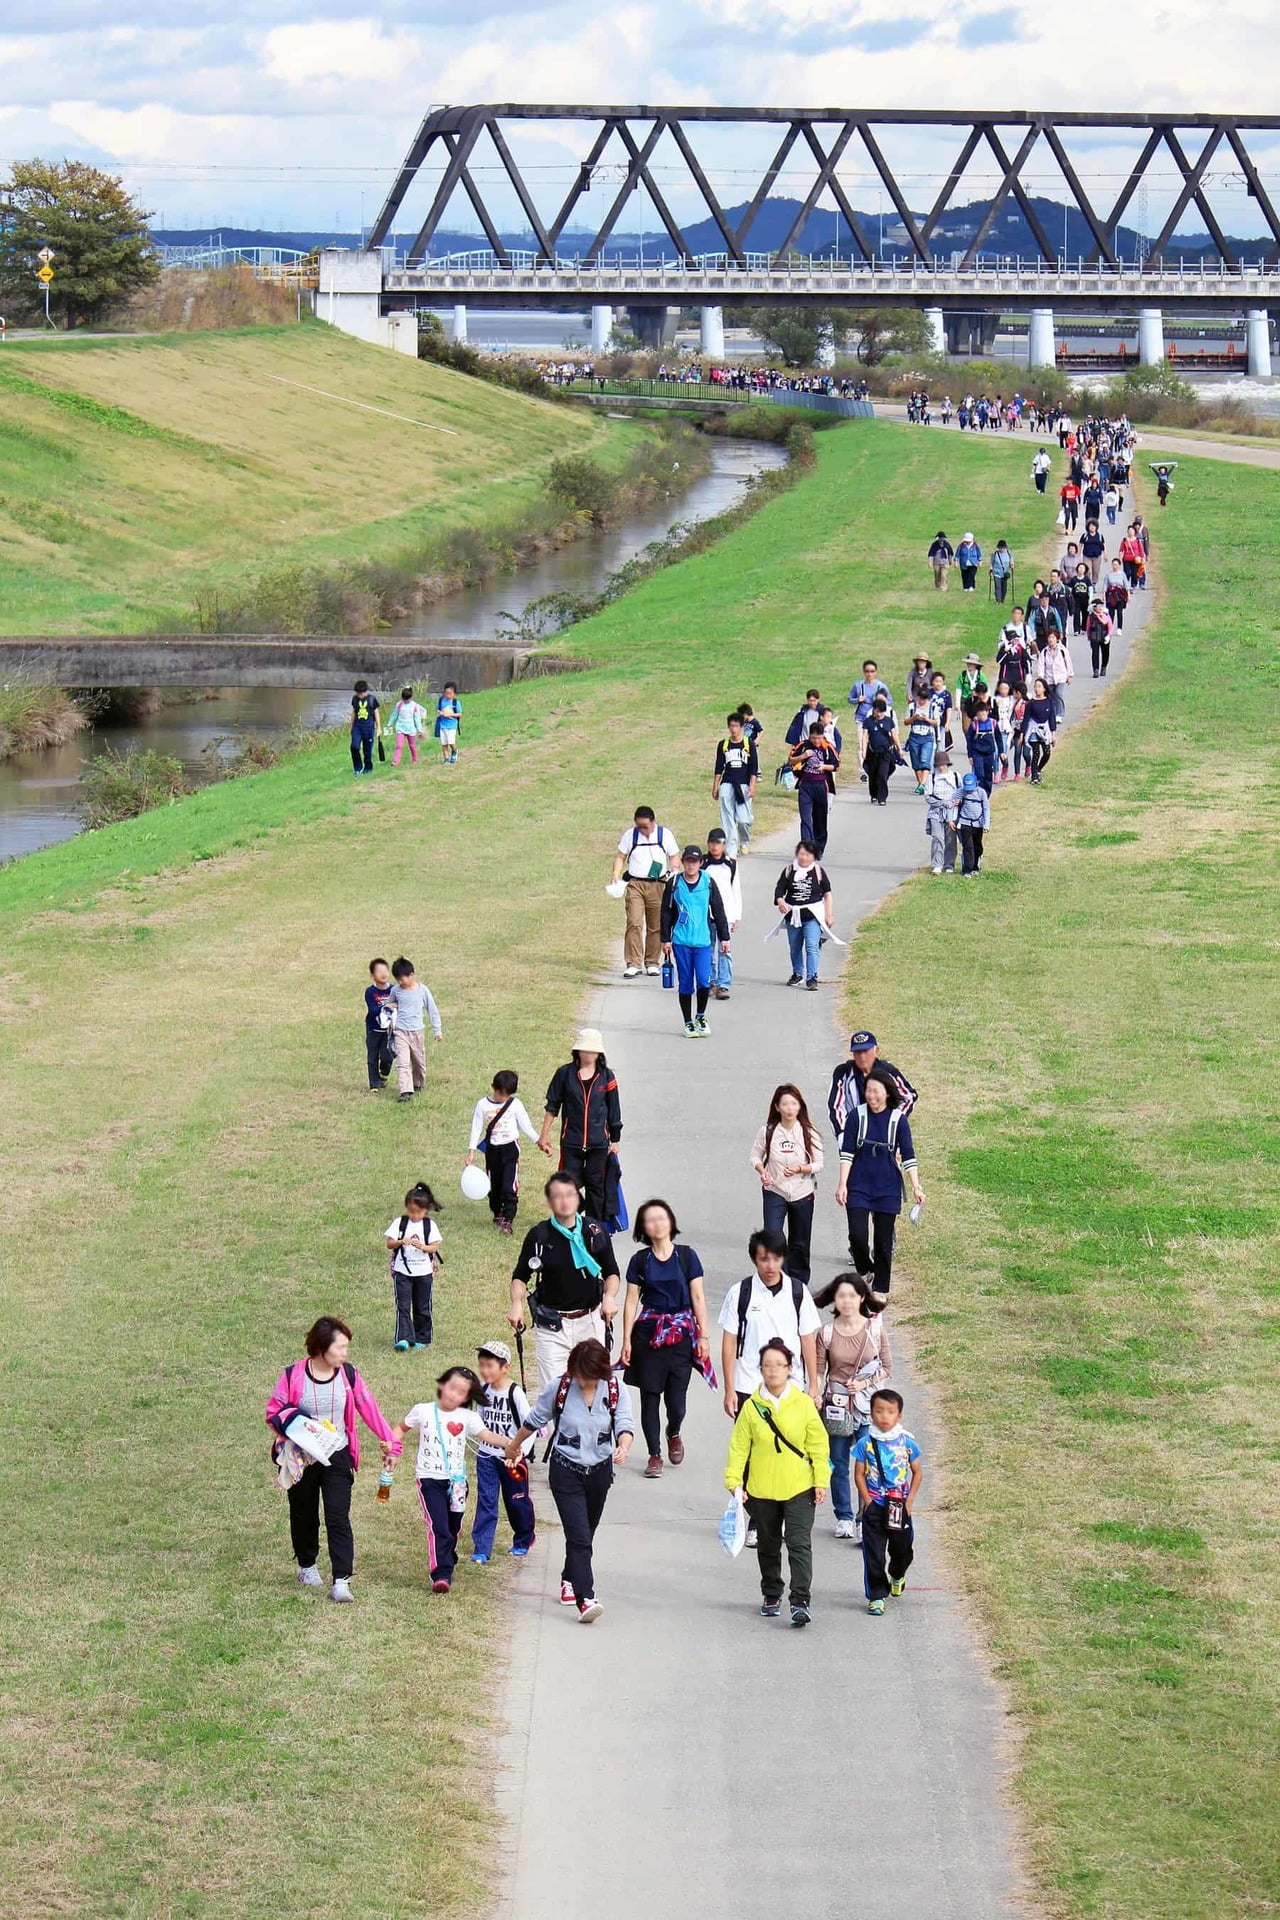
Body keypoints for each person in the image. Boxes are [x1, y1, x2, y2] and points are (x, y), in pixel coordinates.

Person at [265, 1316, 398, 1604]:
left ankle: (341, 1580)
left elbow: (368, 1407)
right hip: (302, 1454)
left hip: (337, 1453)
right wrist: (289, 1427)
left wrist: (391, 1443)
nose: (344, 1353)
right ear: (322, 1347)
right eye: (340, 1347)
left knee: (338, 1515)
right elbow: (273, 1411)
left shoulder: (348, 1375)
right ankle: (307, 1565)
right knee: (304, 1512)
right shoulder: (293, 1375)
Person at [505, 1339, 635, 1622]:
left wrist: (624, 1446)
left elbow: (625, 1424)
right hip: (566, 1470)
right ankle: (586, 1597)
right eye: (579, 1375)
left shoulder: (615, 1389)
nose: (583, 1382)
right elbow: (534, 1420)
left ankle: (569, 1578)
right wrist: (514, 1446)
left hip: (600, 1471)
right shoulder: (560, 1388)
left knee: (585, 1533)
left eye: (589, 1377)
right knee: (578, 1535)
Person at [725, 1338, 831, 1628]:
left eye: (778, 1365)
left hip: (800, 1486)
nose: (772, 1371)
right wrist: (734, 1482)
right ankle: (771, 1593)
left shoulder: (803, 1404)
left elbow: (819, 1446)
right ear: (759, 1369)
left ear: (789, 1369)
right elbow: (739, 1447)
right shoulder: (751, 1408)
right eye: (767, 1365)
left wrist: (821, 1480)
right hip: (762, 1488)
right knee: (768, 1545)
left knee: (798, 1543)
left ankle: (800, 1601)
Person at [621, 1198, 710, 1478]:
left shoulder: (687, 1256)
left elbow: (698, 1296)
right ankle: (654, 1454)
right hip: (649, 1335)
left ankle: (674, 1431)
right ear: (643, 1228)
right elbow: (631, 1301)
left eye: (661, 1217)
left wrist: (704, 1336)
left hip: (681, 1334)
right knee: (649, 1397)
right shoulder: (640, 1261)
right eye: (650, 1219)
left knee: (677, 1400)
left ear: (671, 1222)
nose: (657, 1223)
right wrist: (625, 1340)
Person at [509, 1171, 621, 1388]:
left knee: (593, 1387)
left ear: (578, 1198)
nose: (565, 1200)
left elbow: (612, 1273)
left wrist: (609, 1297)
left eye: (570, 1194)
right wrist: (516, 1304)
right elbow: (520, 1277)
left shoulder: (594, 1231)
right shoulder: (539, 1236)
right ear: (550, 1202)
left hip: (589, 1320)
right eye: (558, 1196)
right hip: (552, 1324)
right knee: (553, 1390)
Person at [833, 1066, 923, 1305]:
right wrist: (842, 1184)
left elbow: (909, 1155)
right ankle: (865, 1269)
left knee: (883, 1240)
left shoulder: (898, 1120)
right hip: (859, 1185)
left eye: (876, 1091)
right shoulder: (856, 1116)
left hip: (887, 1188)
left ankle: (881, 1286)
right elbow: (847, 1153)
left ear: (887, 1092)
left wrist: (916, 1186)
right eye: (868, 1091)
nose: (871, 1096)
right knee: (857, 1235)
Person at [391, 1366, 486, 1594]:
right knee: (439, 1526)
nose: (453, 1394)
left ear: (466, 1398)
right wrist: (392, 1449)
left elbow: (487, 1436)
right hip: (429, 1479)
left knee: (453, 1526)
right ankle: (442, 1574)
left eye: (461, 1392)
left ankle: (448, 1554)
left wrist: (510, 1445)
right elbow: (401, 1428)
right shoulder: (422, 1410)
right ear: (442, 1384)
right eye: (451, 1387)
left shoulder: (468, 1417)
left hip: (458, 1482)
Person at [817, 1274, 892, 1542]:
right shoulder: (826, 1333)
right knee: (838, 1462)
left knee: (868, 1462)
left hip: (866, 1405)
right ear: (835, 1300)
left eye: (852, 1295)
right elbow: (818, 1370)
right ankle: (844, 1517)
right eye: (841, 1296)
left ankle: (864, 1518)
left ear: (862, 1298)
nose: (846, 1301)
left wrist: (863, 1384)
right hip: (837, 1405)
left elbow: (887, 1368)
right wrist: (815, 1394)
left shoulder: (874, 1330)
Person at [719, 1229, 821, 1419]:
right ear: (754, 1259)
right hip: (749, 1387)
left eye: (776, 1259)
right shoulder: (739, 1293)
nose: (770, 1266)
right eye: (764, 1259)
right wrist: (729, 1388)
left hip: (791, 1387)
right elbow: (729, 1343)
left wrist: (813, 1385)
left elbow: (807, 1340)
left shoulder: (798, 1292)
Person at [536, 1031, 621, 1223]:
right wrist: (544, 1136)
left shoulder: (607, 1077)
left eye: (593, 1051)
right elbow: (552, 1106)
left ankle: (594, 1227)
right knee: (568, 1186)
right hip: (571, 1142)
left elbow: (614, 1110)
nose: (589, 1054)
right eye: (585, 1050)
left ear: (599, 1053)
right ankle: (571, 1222)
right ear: (578, 1051)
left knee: (595, 1186)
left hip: (598, 1143)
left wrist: (615, 1139)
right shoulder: (564, 1074)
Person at [854, 1387, 924, 1616]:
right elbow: (858, 1474)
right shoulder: (865, 1444)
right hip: (876, 1507)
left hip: (899, 1506)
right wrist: (867, 1501)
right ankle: (876, 1595)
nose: (885, 1417)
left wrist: (909, 1501)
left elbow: (917, 1473)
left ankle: (897, 1574)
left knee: (902, 1550)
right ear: (871, 1414)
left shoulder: (907, 1443)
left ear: (899, 1415)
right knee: (873, 1553)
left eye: (890, 1412)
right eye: (879, 1411)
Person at [470, 1340, 536, 1564]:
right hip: (487, 1456)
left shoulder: (515, 1393)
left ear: (505, 1367)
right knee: (487, 1500)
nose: (484, 1370)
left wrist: (519, 1453)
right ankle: (482, 1548)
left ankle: (524, 1539)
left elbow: (530, 1426)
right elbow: (478, 1418)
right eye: (482, 1365)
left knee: (517, 1500)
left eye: (490, 1365)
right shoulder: (483, 1389)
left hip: (512, 1460)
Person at [750, 1083, 823, 1282]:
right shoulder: (768, 1131)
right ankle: (776, 1277)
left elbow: (819, 1164)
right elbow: (755, 1156)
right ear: (777, 1107)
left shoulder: (808, 1132)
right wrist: (762, 1171)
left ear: (800, 1106)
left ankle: (798, 1283)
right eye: (785, 1104)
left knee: (800, 1242)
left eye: (794, 1103)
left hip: (802, 1192)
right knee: (772, 1236)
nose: (790, 1108)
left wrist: (802, 1168)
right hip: (775, 1190)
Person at [661, 843, 731, 1038]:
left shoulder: (708, 882)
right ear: (683, 862)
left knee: (703, 980)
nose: (691, 866)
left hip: (702, 941)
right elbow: (666, 912)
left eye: (695, 862)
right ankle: (688, 1021)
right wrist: (665, 939)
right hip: (681, 941)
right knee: (685, 983)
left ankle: (700, 1016)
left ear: (701, 863)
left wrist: (724, 937)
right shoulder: (674, 883)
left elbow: (718, 909)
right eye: (687, 861)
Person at [465, 1070, 546, 1236]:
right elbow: (476, 1127)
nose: (503, 1098)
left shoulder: (515, 1105)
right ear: (493, 1087)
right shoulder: (482, 1105)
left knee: (509, 1186)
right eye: (501, 1093)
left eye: (507, 1094)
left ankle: (508, 1219)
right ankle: (497, 1213)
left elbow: (526, 1126)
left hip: (510, 1150)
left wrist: (539, 1142)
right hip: (492, 1151)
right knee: (493, 1186)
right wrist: (471, 1151)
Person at [612, 806, 680, 977]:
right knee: (634, 922)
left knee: (655, 925)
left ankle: (652, 962)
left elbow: (674, 855)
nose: (642, 830)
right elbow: (621, 856)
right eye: (639, 826)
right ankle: (633, 962)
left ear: (653, 822)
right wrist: (616, 873)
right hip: (636, 884)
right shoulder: (630, 836)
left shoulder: (664, 835)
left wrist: (674, 871)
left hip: (658, 884)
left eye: (645, 826)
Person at [385, 1180, 443, 1350]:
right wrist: (400, 1242)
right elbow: (389, 1243)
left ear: (425, 1210)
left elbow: (434, 1247)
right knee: (403, 1305)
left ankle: (422, 1337)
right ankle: (403, 1338)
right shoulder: (400, 1223)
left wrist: (423, 1247)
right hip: (402, 1271)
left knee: (422, 1306)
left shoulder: (429, 1225)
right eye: (411, 1211)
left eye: (418, 1212)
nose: (414, 1215)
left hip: (423, 1272)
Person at [774, 839, 833, 990]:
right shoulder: (789, 870)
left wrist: (829, 914)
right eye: (801, 854)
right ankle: (798, 973)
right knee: (795, 946)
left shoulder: (818, 871)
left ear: (814, 856)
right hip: (793, 916)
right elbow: (779, 890)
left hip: (812, 916)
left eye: (808, 855)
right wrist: (781, 901)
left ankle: (812, 977)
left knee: (812, 946)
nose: (804, 858)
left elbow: (827, 894)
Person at [387, 956, 443, 1103]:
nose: (400, 982)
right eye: (397, 979)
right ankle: (405, 1091)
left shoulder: (423, 990)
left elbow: (432, 1010)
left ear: (412, 975)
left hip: (417, 1032)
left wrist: (437, 1030)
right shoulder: (396, 990)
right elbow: (389, 1004)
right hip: (400, 1032)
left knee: (418, 1062)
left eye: (402, 978)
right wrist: (390, 1007)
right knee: (402, 1062)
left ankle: (418, 1083)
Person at [702, 829, 742, 1002]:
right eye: (712, 843)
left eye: (718, 843)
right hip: (707, 914)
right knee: (708, 949)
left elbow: (736, 890)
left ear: (724, 844)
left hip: (726, 914)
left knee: (725, 950)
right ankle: (711, 981)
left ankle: (724, 983)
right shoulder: (702, 864)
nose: (714, 846)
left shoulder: (731, 864)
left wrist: (736, 916)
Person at [711, 712, 758, 856]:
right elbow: (719, 767)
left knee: (744, 820)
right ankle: (731, 851)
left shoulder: (748, 744)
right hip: (727, 783)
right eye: (731, 726)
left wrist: (752, 785)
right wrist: (715, 786)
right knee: (727, 819)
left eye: (736, 726)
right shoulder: (723, 745)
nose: (733, 729)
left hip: (743, 784)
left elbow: (753, 767)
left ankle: (744, 840)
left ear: (741, 727)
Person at [788, 724, 839, 853]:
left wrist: (824, 767)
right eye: (813, 738)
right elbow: (791, 760)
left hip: (821, 786)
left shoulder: (827, 747)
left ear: (822, 736)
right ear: (809, 736)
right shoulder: (803, 745)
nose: (816, 741)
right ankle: (807, 847)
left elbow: (836, 765)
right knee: (805, 819)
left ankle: (819, 847)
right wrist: (803, 756)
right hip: (805, 786)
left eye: (818, 738)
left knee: (820, 819)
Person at [924, 750, 960, 874]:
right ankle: (937, 864)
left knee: (950, 839)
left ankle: (949, 864)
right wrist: (942, 802)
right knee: (937, 837)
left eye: (944, 764)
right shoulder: (932, 777)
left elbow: (961, 792)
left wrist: (958, 801)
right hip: (935, 813)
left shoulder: (955, 776)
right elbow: (928, 797)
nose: (941, 767)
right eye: (939, 765)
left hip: (952, 813)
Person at [363, 956, 395, 1093]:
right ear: (372, 975)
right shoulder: (370, 992)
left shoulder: (394, 990)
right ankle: (374, 1084)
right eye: (379, 971)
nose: (383, 974)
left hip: (389, 1030)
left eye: (385, 971)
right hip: (373, 1029)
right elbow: (373, 1010)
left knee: (388, 1055)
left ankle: (384, 1073)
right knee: (372, 1056)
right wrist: (387, 1005)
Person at [862, 696, 901, 807]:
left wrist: (899, 749)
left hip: (885, 753)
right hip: (873, 752)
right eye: (876, 711)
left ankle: (882, 797)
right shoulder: (868, 721)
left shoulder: (888, 721)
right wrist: (863, 750)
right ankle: (874, 794)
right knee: (873, 774)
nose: (878, 714)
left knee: (882, 774)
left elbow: (894, 735)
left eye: (880, 712)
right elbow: (865, 736)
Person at [952, 770, 991, 877]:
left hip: (978, 824)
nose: (969, 791)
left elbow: (986, 809)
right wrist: (957, 802)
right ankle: (967, 870)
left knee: (977, 846)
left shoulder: (981, 793)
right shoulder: (961, 791)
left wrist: (986, 824)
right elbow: (952, 802)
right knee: (968, 847)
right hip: (965, 823)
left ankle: (975, 866)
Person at [1021, 675, 1057, 784]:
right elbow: (1026, 719)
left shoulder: (1049, 702)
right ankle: (1034, 776)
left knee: (1047, 753)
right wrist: (1023, 734)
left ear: (1044, 688)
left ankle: (1038, 769)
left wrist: (1053, 735)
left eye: (1039, 686)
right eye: (1035, 686)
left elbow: (1052, 719)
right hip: (1033, 730)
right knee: (1035, 752)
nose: (1037, 689)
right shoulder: (1031, 703)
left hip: (1044, 729)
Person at [966, 695, 999, 796]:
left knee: (988, 775)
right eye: (980, 715)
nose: (982, 716)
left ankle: (986, 795)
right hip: (977, 753)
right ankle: (979, 793)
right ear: (976, 714)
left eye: (984, 714)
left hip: (989, 753)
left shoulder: (993, 723)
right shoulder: (974, 725)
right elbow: (969, 740)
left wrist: (1001, 752)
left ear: (988, 712)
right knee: (979, 774)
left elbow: (999, 738)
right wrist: (970, 756)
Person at [1039, 629, 1074, 724]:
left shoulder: (1062, 650)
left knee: (1058, 694)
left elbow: (1068, 662)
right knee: (1051, 697)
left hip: (1061, 677)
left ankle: (1059, 714)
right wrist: (1041, 678)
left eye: (1053, 637)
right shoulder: (1044, 652)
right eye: (1049, 637)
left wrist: (1069, 675)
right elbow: (1041, 665)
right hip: (1049, 678)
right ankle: (1052, 714)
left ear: (1057, 639)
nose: (1051, 640)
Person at [905, 694, 939, 792]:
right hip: (914, 736)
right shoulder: (912, 707)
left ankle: (923, 784)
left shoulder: (933, 707)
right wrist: (913, 718)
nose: (921, 702)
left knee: (925, 761)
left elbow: (936, 722)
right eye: (920, 699)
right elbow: (906, 722)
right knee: (916, 762)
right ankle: (921, 784)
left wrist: (926, 719)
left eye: (924, 699)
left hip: (927, 737)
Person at [389, 686, 427, 766]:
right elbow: (394, 714)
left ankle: (415, 760)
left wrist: (419, 729)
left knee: (412, 746)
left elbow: (417, 718)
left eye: (407, 699)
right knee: (399, 745)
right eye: (404, 699)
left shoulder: (415, 706)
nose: (406, 701)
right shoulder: (399, 704)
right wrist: (390, 723)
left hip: (411, 729)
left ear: (411, 698)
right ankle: (396, 761)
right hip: (400, 728)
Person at [349, 679, 379, 776]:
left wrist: (379, 728)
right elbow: (354, 712)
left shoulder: (371, 699)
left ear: (365, 691)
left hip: (369, 728)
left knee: (367, 751)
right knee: (354, 747)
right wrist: (351, 726)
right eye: (358, 693)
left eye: (361, 694)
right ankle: (357, 768)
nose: (360, 696)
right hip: (357, 727)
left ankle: (368, 768)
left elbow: (376, 713)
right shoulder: (355, 699)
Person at [434, 681, 462, 764]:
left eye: (450, 694)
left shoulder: (456, 703)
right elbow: (437, 709)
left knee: (451, 741)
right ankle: (446, 759)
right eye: (446, 693)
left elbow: (460, 714)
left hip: (452, 725)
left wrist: (450, 714)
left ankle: (454, 751)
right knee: (444, 743)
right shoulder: (441, 701)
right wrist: (441, 713)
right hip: (442, 725)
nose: (448, 696)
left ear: (454, 693)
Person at [1087, 598, 1114, 678]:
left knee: (1105, 653)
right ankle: (1095, 670)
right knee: (1095, 654)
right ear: (1094, 607)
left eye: (1101, 605)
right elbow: (1088, 627)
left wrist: (1109, 635)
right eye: (1098, 606)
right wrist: (1089, 637)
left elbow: (1110, 626)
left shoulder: (1105, 615)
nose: (1100, 607)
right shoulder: (1091, 616)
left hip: (1104, 636)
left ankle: (1104, 667)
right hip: (1094, 637)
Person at [1104, 558, 1130, 632]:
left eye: (1116, 565)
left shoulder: (1122, 574)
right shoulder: (1108, 574)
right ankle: (1110, 628)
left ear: (1119, 565)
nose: (1114, 566)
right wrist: (1103, 595)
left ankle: (1119, 628)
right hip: (1111, 595)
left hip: (1120, 595)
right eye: (1113, 564)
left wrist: (1128, 595)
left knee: (1119, 612)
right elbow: (1105, 585)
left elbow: (1126, 585)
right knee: (1111, 613)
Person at [989, 539, 1013, 604]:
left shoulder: (1009, 553)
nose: (1001, 549)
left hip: (1005, 573)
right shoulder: (994, 554)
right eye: (1000, 547)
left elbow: (1011, 561)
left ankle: (1002, 600)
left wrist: (1012, 565)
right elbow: (991, 562)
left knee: (1004, 588)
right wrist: (991, 569)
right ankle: (998, 600)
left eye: (1003, 547)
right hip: (996, 573)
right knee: (998, 587)